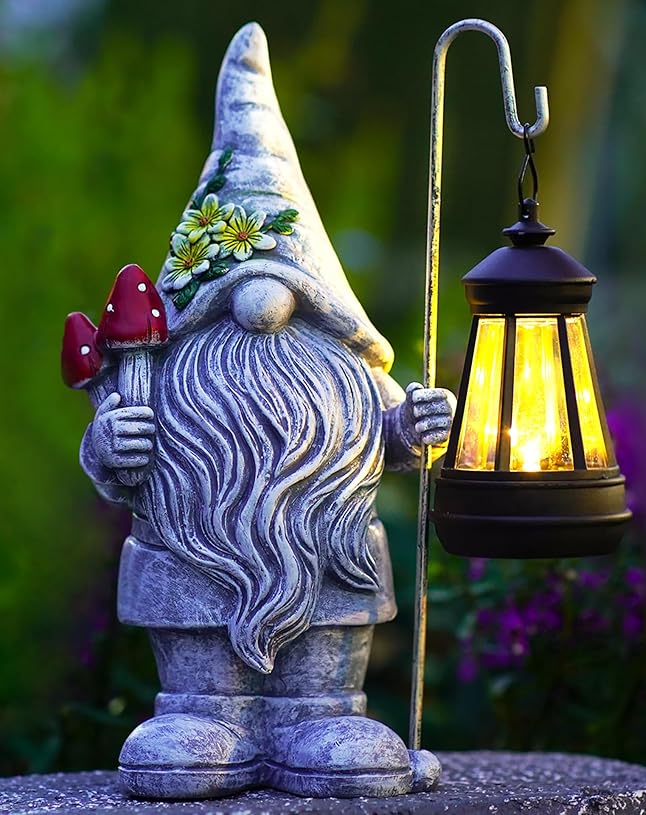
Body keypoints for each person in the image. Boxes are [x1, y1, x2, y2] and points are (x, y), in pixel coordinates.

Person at [79, 22, 455, 801]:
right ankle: (201, 713)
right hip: (191, 562)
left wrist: (411, 428)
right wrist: (110, 443)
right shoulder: (158, 376)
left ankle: (323, 716)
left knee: (330, 711)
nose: (260, 306)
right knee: (188, 722)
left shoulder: (351, 376)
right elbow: (112, 466)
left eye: (285, 278)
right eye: (231, 286)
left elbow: (395, 441)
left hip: (330, 556)